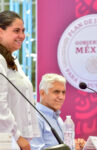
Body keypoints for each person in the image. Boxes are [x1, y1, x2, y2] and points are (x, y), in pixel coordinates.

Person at [0, 11, 40, 150]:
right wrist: (17, 136)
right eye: (16, 31)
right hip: (6, 140)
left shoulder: (13, 59)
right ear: (0, 32)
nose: (22, 36)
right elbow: (0, 104)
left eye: (23, 31)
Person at [30, 73, 85, 150]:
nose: (61, 97)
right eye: (56, 92)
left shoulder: (58, 118)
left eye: (63, 92)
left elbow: (62, 145)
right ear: (42, 93)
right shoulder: (35, 117)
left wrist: (74, 144)